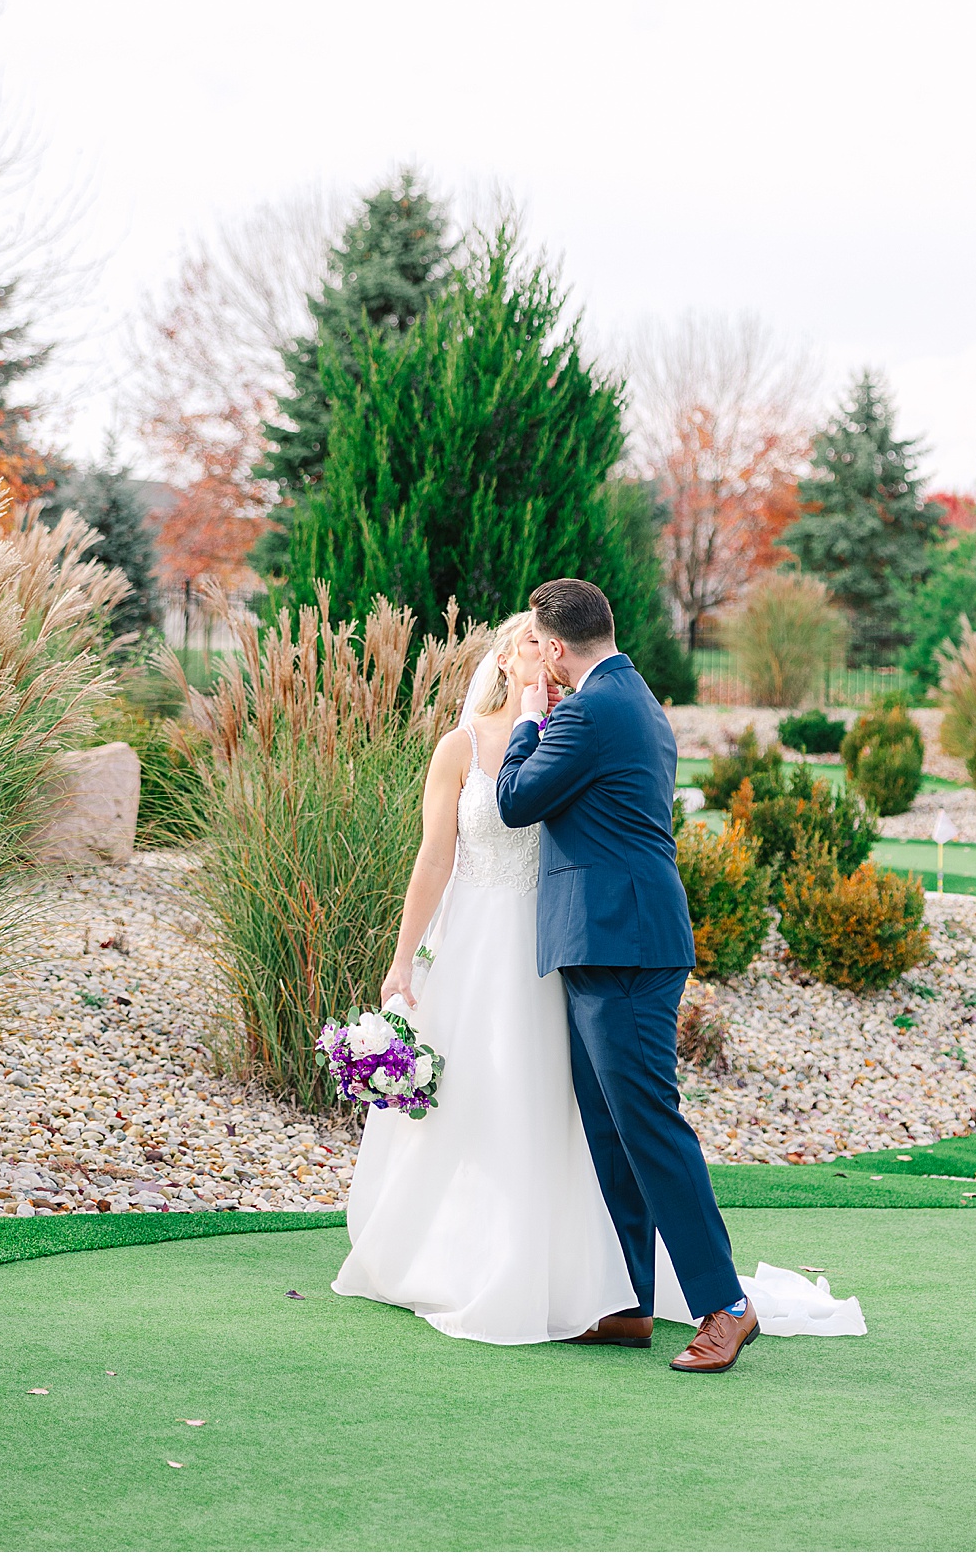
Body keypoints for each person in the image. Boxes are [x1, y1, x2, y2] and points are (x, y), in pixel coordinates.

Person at [330, 611, 637, 1343]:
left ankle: (565, 1273)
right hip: (472, 943)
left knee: (545, 1098)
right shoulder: (459, 747)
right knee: (470, 1094)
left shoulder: (575, 735)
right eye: (529, 640)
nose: (544, 651)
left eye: (549, 641)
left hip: (549, 942)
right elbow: (435, 858)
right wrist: (403, 962)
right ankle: (457, 1253)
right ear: (503, 659)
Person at [498, 577, 757, 1375]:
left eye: (537, 647)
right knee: (611, 1129)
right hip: (607, 939)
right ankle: (632, 1302)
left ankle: (728, 1306)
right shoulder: (633, 694)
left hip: (627, 944)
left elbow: (515, 800)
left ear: (553, 648)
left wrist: (527, 716)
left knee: (649, 1125)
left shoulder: (587, 710)